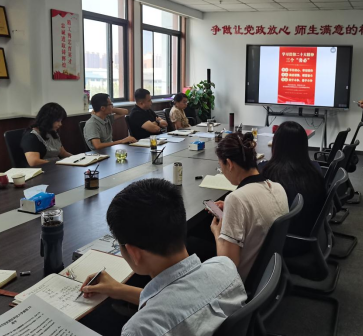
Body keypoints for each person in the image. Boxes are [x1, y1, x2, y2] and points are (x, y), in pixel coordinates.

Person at [80, 178, 246, 336]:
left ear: (134, 253)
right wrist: (119, 290)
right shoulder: (226, 267)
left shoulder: (140, 329)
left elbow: (172, 304)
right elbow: (181, 299)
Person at [211, 132, 289, 280]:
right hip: (269, 273)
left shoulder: (236, 199)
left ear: (230, 164)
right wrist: (231, 210)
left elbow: (228, 265)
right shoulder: (278, 187)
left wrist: (217, 232)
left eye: (221, 166)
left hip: (243, 280)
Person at [261, 121, 326, 237]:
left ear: (276, 144)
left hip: (285, 239)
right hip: (309, 233)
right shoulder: (315, 171)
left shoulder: (269, 176)